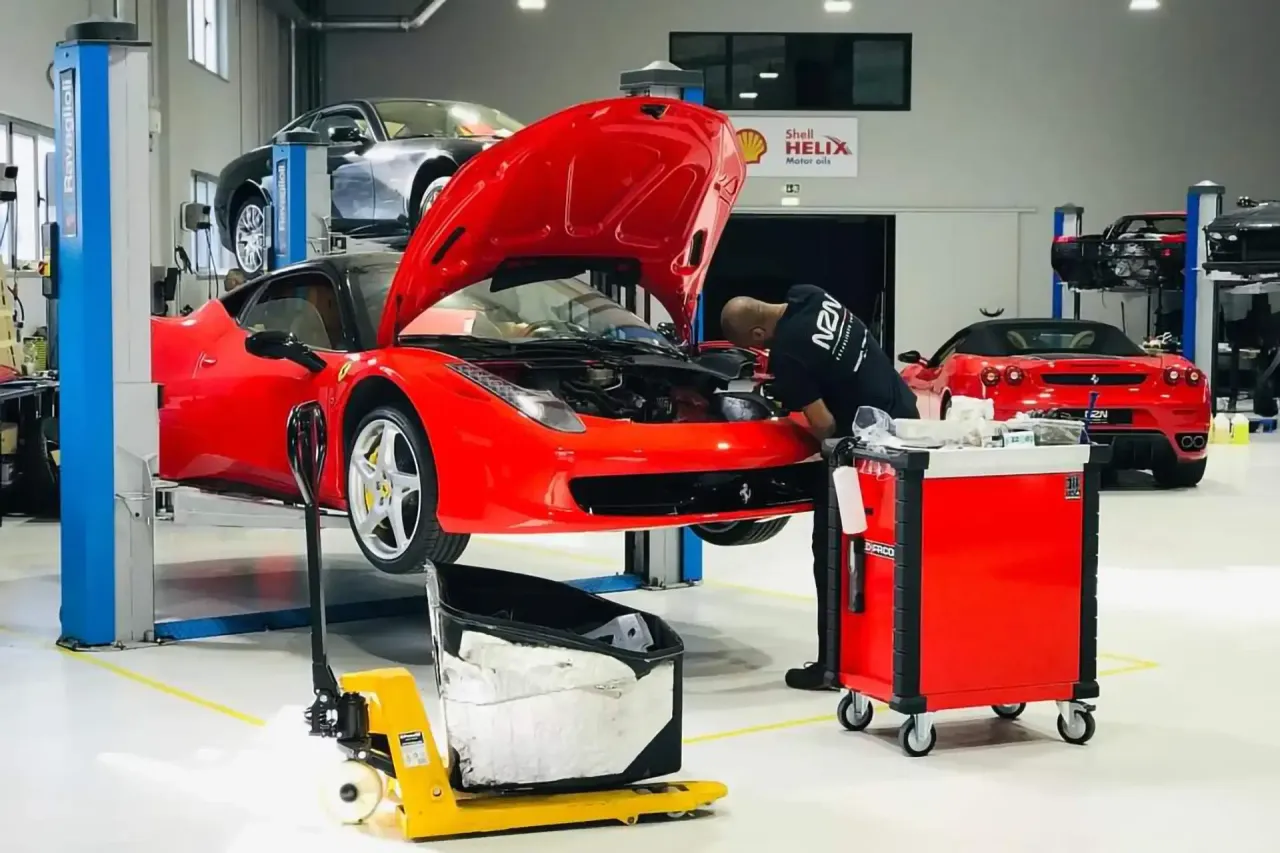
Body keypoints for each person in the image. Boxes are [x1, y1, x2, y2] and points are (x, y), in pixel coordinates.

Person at [720, 285, 919, 691]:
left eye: (756, 345)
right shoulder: (811, 295)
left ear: (758, 334)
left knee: (832, 550)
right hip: (903, 417)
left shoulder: (788, 355)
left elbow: (824, 424)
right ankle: (887, 649)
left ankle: (832, 666)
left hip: (866, 450)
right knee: (893, 543)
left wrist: (805, 441)